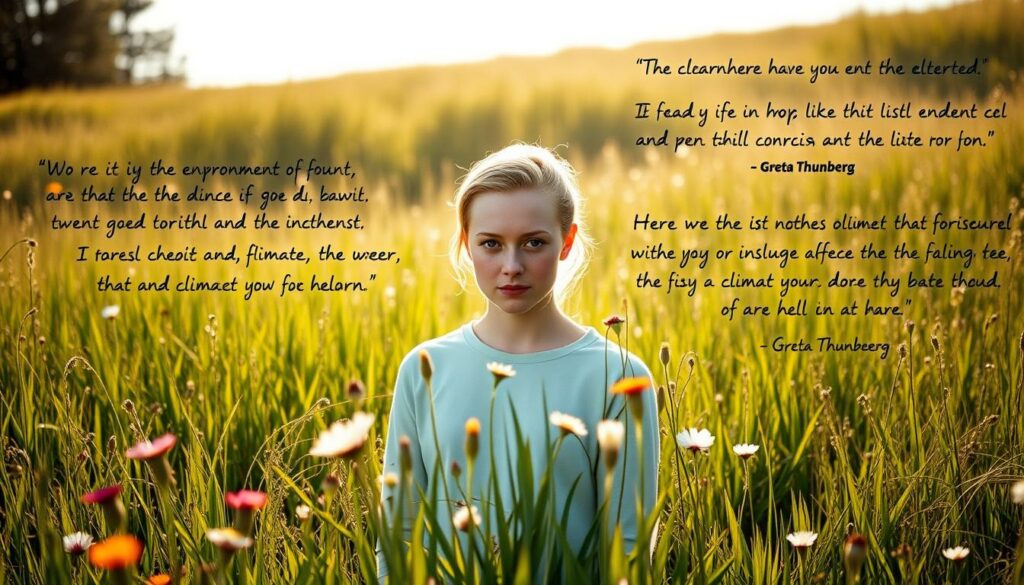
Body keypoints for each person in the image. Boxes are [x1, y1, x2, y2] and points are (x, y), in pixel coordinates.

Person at [377, 143, 659, 582]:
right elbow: (398, 539)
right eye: (491, 243)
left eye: (533, 243)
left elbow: (629, 551)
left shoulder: (618, 376)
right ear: (466, 244)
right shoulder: (424, 368)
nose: (511, 265)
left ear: (566, 242)